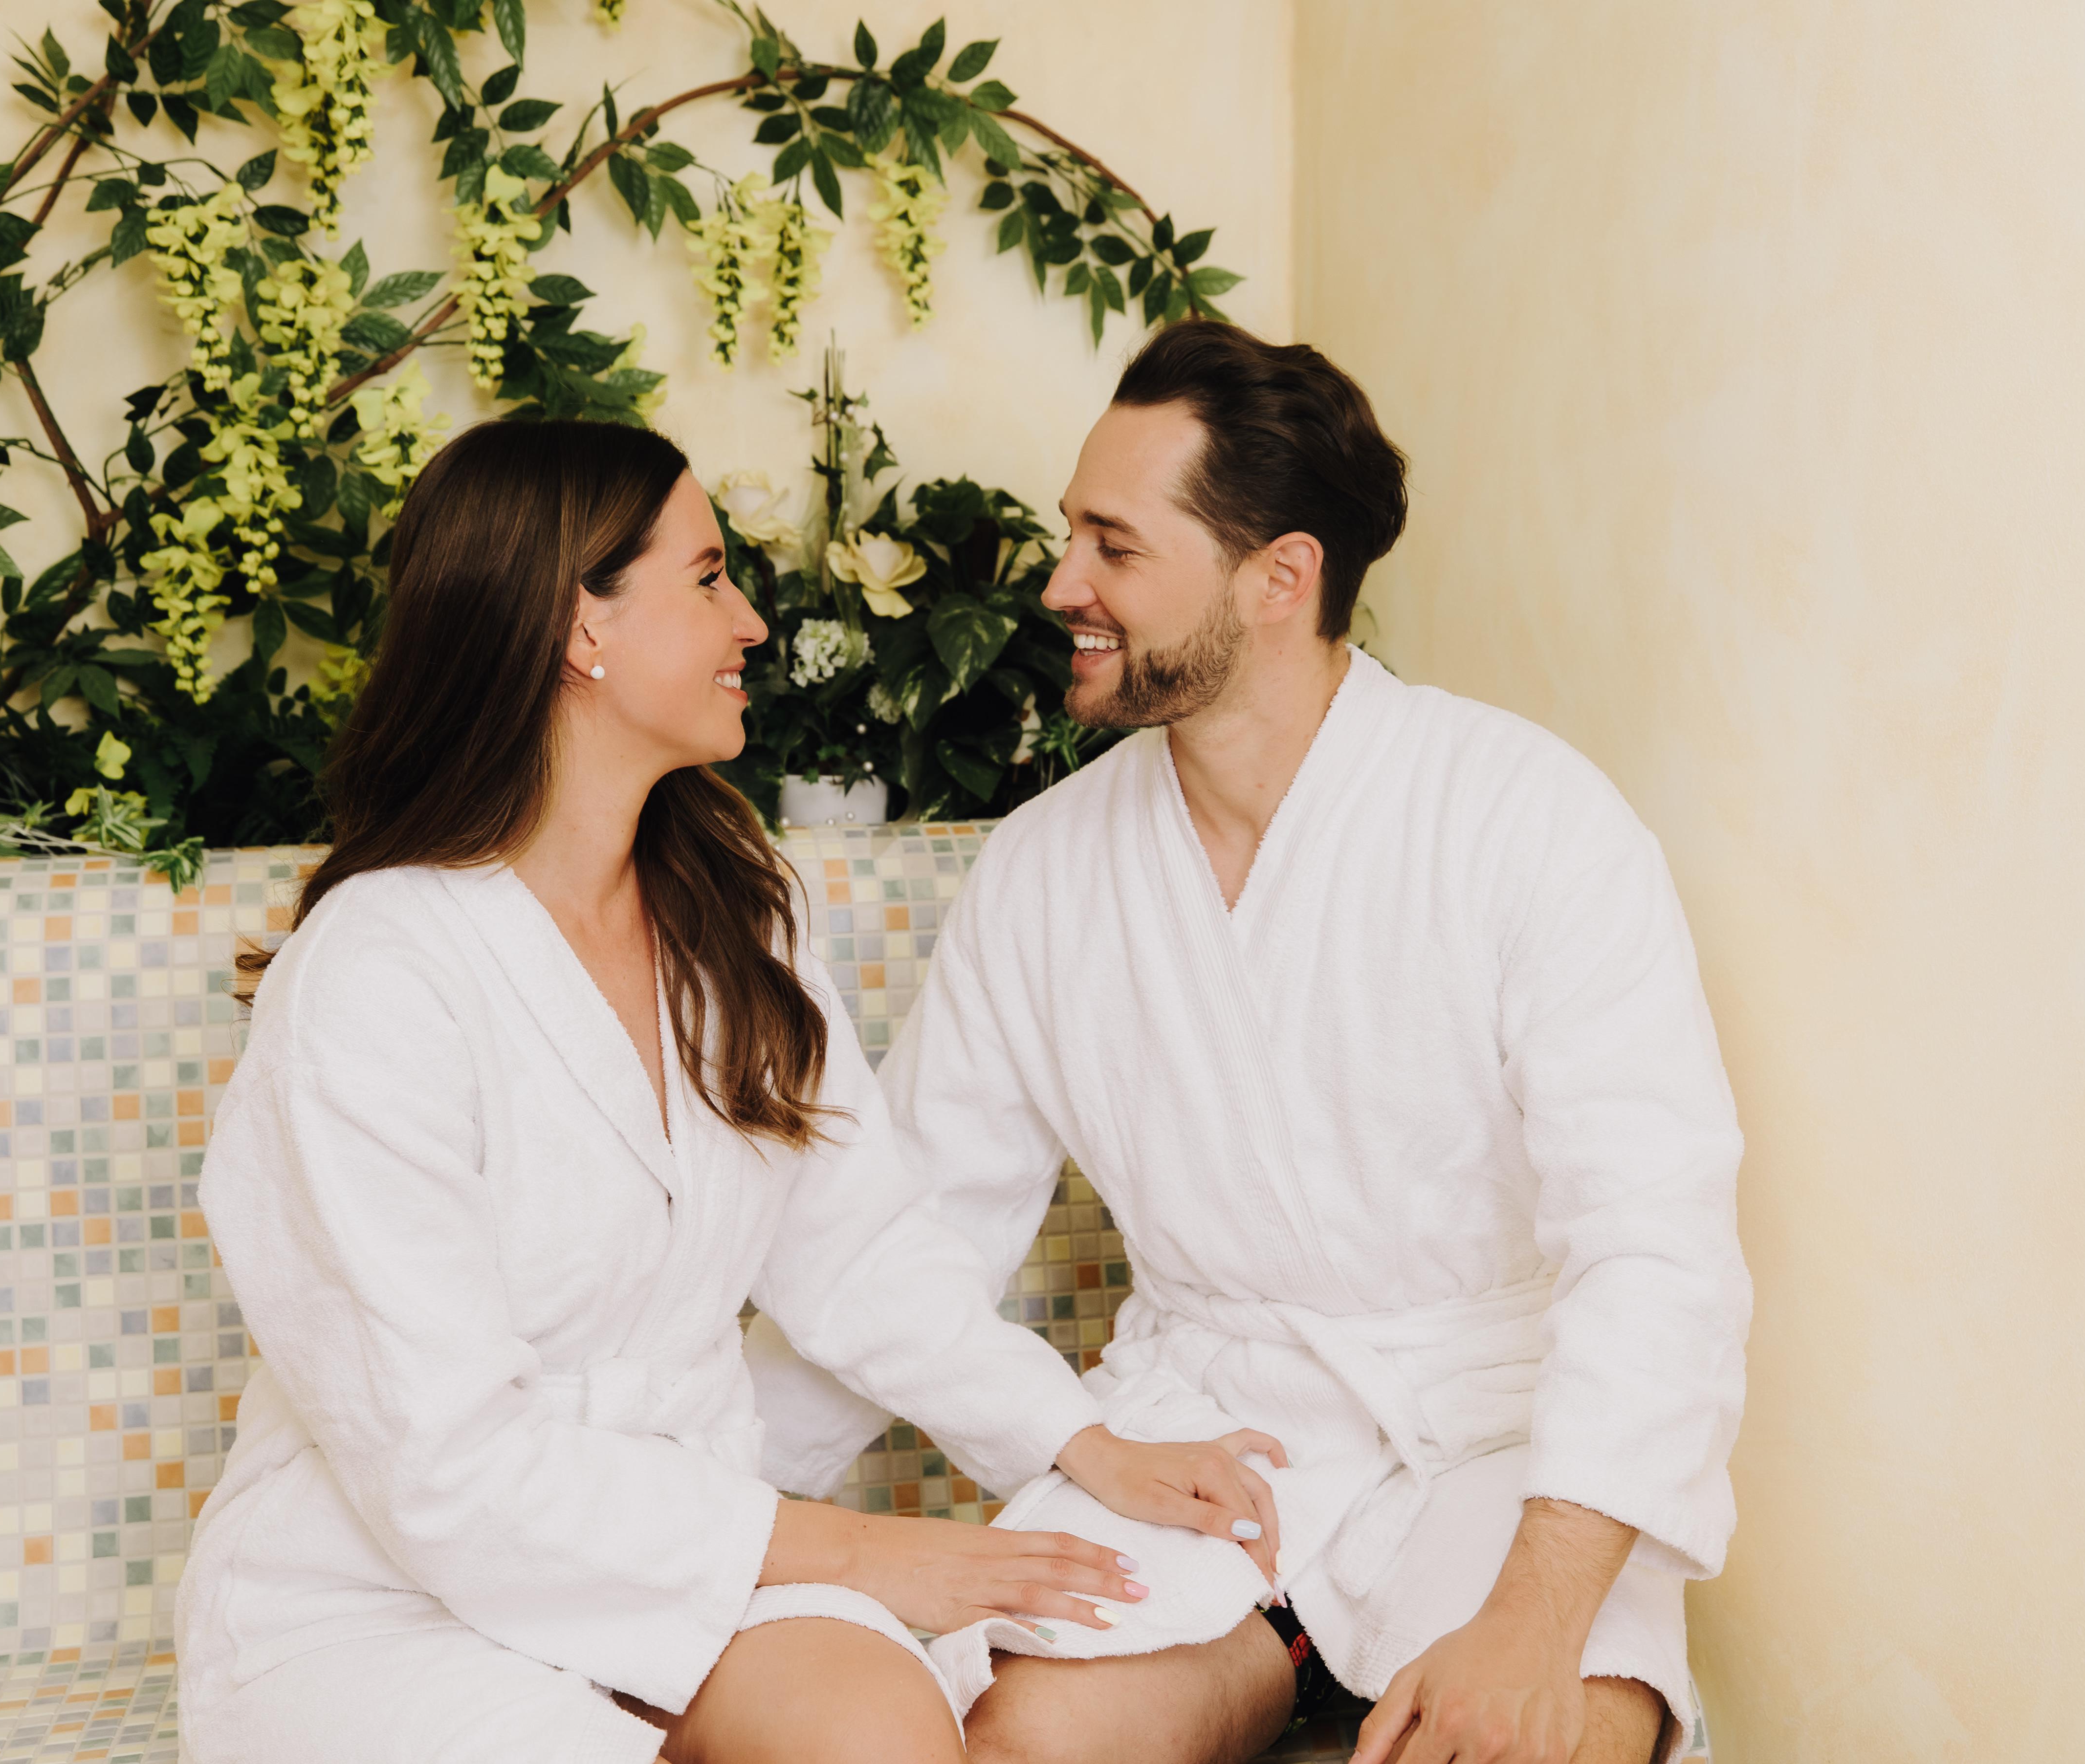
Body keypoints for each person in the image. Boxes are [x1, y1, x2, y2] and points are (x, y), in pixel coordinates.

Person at [173, 419, 1283, 1764]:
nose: (751, 620)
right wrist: (866, 1551)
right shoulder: (377, 975)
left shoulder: (733, 913)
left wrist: (1083, 1441)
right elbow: (445, 1464)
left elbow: (860, 1249)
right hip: (387, 1598)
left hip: (685, 1559)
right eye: (707, 579)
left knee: (880, 1734)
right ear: (580, 625)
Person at [746, 323, 1752, 1764]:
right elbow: (905, 1241)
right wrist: (700, 1516)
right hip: (1207, 1436)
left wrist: (1535, 1621)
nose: (1061, 584)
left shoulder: (1529, 819)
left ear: (1281, 578)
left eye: (1114, 546)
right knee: (1021, 1742)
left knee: (1546, 1744)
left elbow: (1657, 1247)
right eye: (1070, 533)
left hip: (1502, 1448)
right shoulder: (1045, 871)